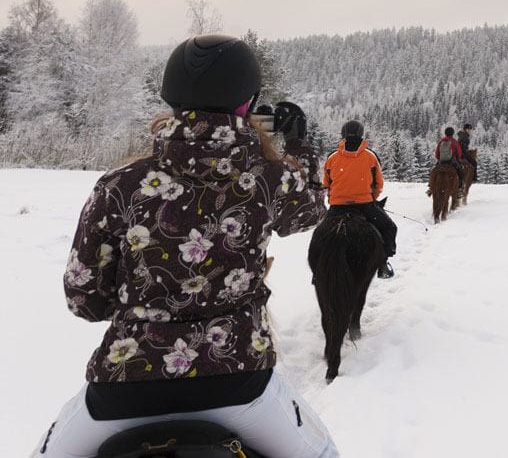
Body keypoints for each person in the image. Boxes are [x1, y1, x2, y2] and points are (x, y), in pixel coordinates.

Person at [33, 34, 339, 457]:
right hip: (240, 382)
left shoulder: (120, 185)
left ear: (171, 98)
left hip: (124, 387)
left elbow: (84, 300)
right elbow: (311, 210)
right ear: (247, 105)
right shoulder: (270, 179)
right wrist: (298, 147)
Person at [323, 120, 398, 279]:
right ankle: (383, 264)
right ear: (361, 133)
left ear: (343, 134)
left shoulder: (332, 158)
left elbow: (326, 184)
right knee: (389, 228)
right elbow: (379, 184)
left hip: (337, 207)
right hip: (365, 205)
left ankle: (318, 270)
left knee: (321, 236)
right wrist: (371, 198)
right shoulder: (370, 157)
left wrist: (335, 197)